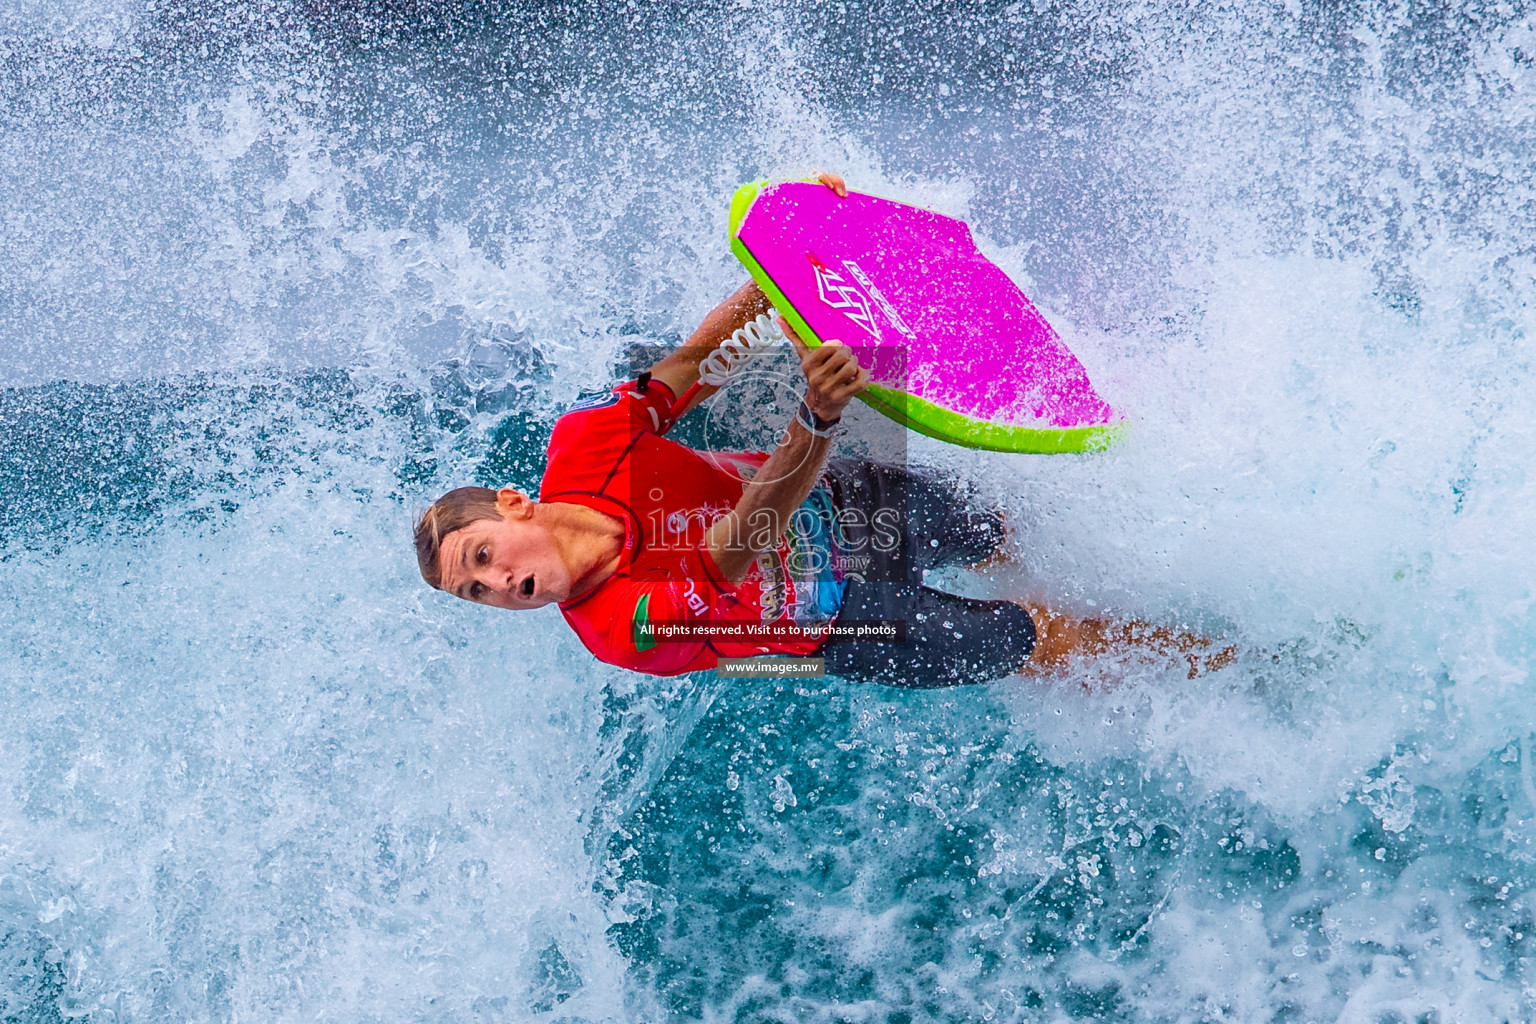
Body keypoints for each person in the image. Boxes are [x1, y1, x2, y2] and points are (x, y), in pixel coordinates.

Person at [413, 174, 1230, 687]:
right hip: (844, 621)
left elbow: (695, 366)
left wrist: (783, 269)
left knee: (1000, 531)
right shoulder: (619, 629)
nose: (497, 586)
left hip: (843, 505)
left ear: (514, 505)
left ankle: (1158, 582)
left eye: (481, 557)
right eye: (475, 593)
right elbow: (737, 542)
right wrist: (816, 417)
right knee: (1030, 638)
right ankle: (1223, 667)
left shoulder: (585, 445)